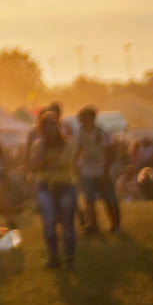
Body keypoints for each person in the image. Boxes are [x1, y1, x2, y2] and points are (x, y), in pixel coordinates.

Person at [28, 111, 77, 269]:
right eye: (46, 128)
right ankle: (53, 256)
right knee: (49, 223)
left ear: (58, 128)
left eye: (52, 127)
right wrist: (42, 146)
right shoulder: (37, 146)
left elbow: (64, 162)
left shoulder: (67, 144)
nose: (50, 131)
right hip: (44, 187)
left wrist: (45, 165)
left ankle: (69, 257)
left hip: (64, 186)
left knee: (67, 223)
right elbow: (35, 164)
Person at [75, 106, 120, 235]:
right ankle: (92, 225)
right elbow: (78, 150)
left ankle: (115, 225)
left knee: (109, 199)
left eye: (85, 118)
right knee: (89, 200)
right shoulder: (81, 133)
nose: (83, 121)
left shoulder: (101, 133)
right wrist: (74, 166)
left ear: (93, 119)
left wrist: (105, 172)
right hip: (87, 170)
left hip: (102, 170)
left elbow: (108, 153)